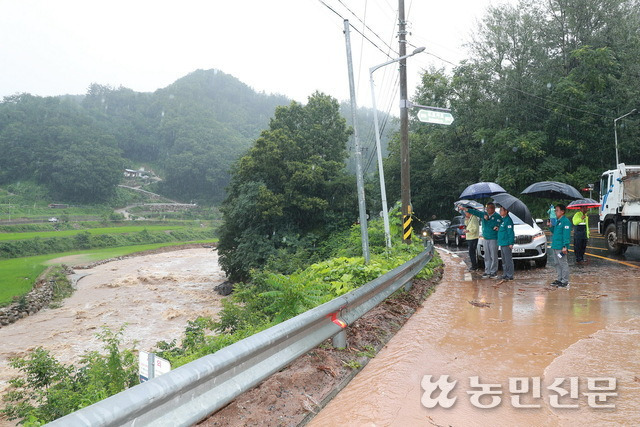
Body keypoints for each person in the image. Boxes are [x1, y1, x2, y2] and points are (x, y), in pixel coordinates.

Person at [466, 202, 502, 279]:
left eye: (488, 208)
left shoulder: (497, 217)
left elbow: (496, 226)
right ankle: (487, 271)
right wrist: (466, 209)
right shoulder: (484, 214)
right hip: (485, 238)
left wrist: (488, 220)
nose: (487, 209)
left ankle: (493, 272)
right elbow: (476, 212)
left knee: (493, 255)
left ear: (492, 208)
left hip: (493, 238)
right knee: (487, 256)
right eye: (486, 208)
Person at [549, 204, 572, 287]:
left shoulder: (565, 222)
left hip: (561, 247)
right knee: (557, 263)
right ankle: (559, 279)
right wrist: (550, 226)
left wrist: (565, 246)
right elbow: (554, 232)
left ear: (562, 212)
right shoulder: (558, 221)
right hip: (555, 245)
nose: (555, 212)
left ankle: (565, 280)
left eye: (557, 210)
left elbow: (566, 235)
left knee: (563, 263)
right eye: (555, 210)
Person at [497, 206, 515, 280]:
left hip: (506, 243)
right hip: (502, 242)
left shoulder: (508, 220)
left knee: (508, 260)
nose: (500, 211)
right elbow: (502, 229)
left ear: (506, 211)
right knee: (504, 260)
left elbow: (510, 232)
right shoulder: (503, 219)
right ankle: (505, 274)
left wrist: (511, 243)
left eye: (501, 210)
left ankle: (510, 275)